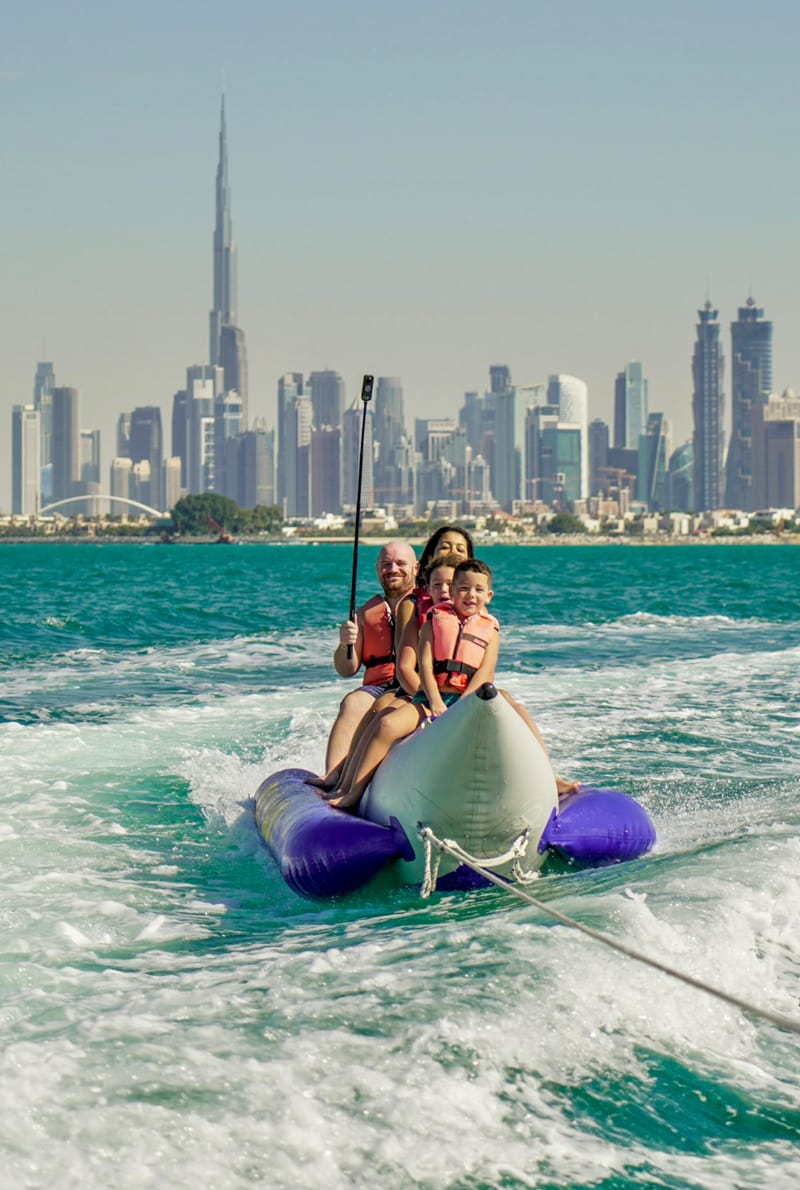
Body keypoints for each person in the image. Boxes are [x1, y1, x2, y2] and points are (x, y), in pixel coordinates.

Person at [327, 558, 499, 809]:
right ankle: (353, 791)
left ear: (489, 595)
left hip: (467, 700)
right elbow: (425, 666)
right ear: (452, 592)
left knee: (521, 715)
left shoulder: (491, 630)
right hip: (431, 698)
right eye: (463, 589)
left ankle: (551, 780)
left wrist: (463, 706)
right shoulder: (434, 620)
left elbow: (485, 672)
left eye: (478, 590)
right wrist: (435, 700)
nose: (470, 595)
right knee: (386, 724)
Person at [320, 539, 417, 774]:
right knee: (353, 702)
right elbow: (346, 669)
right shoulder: (364, 613)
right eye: (386, 564)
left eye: (401, 563)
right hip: (377, 686)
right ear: (377, 570)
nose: (393, 569)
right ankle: (332, 777)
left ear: (417, 568)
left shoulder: (427, 605)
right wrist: (346, 643)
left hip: (412, 684)